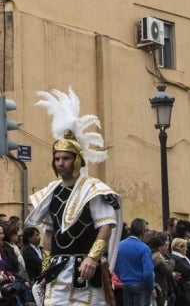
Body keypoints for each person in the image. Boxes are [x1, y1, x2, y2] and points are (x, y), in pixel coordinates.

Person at [27, 88, 123, 306]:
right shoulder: (51, 191)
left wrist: (92, 258)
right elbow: (49, 234)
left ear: (77, 160)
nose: (61, 163)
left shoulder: (93, 189)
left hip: (85, 270)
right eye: (57, 158)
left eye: (66, 158)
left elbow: (105, 226)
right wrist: (45, 270)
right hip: (58, 270)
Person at [114, 218, 155, 306]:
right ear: (143, 231)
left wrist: (123, 278)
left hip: (126, 284)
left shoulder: (120, 245)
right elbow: (148, 272)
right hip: (142, 285)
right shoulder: (144, 248)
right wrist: (151, 287)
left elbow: (115, 267)